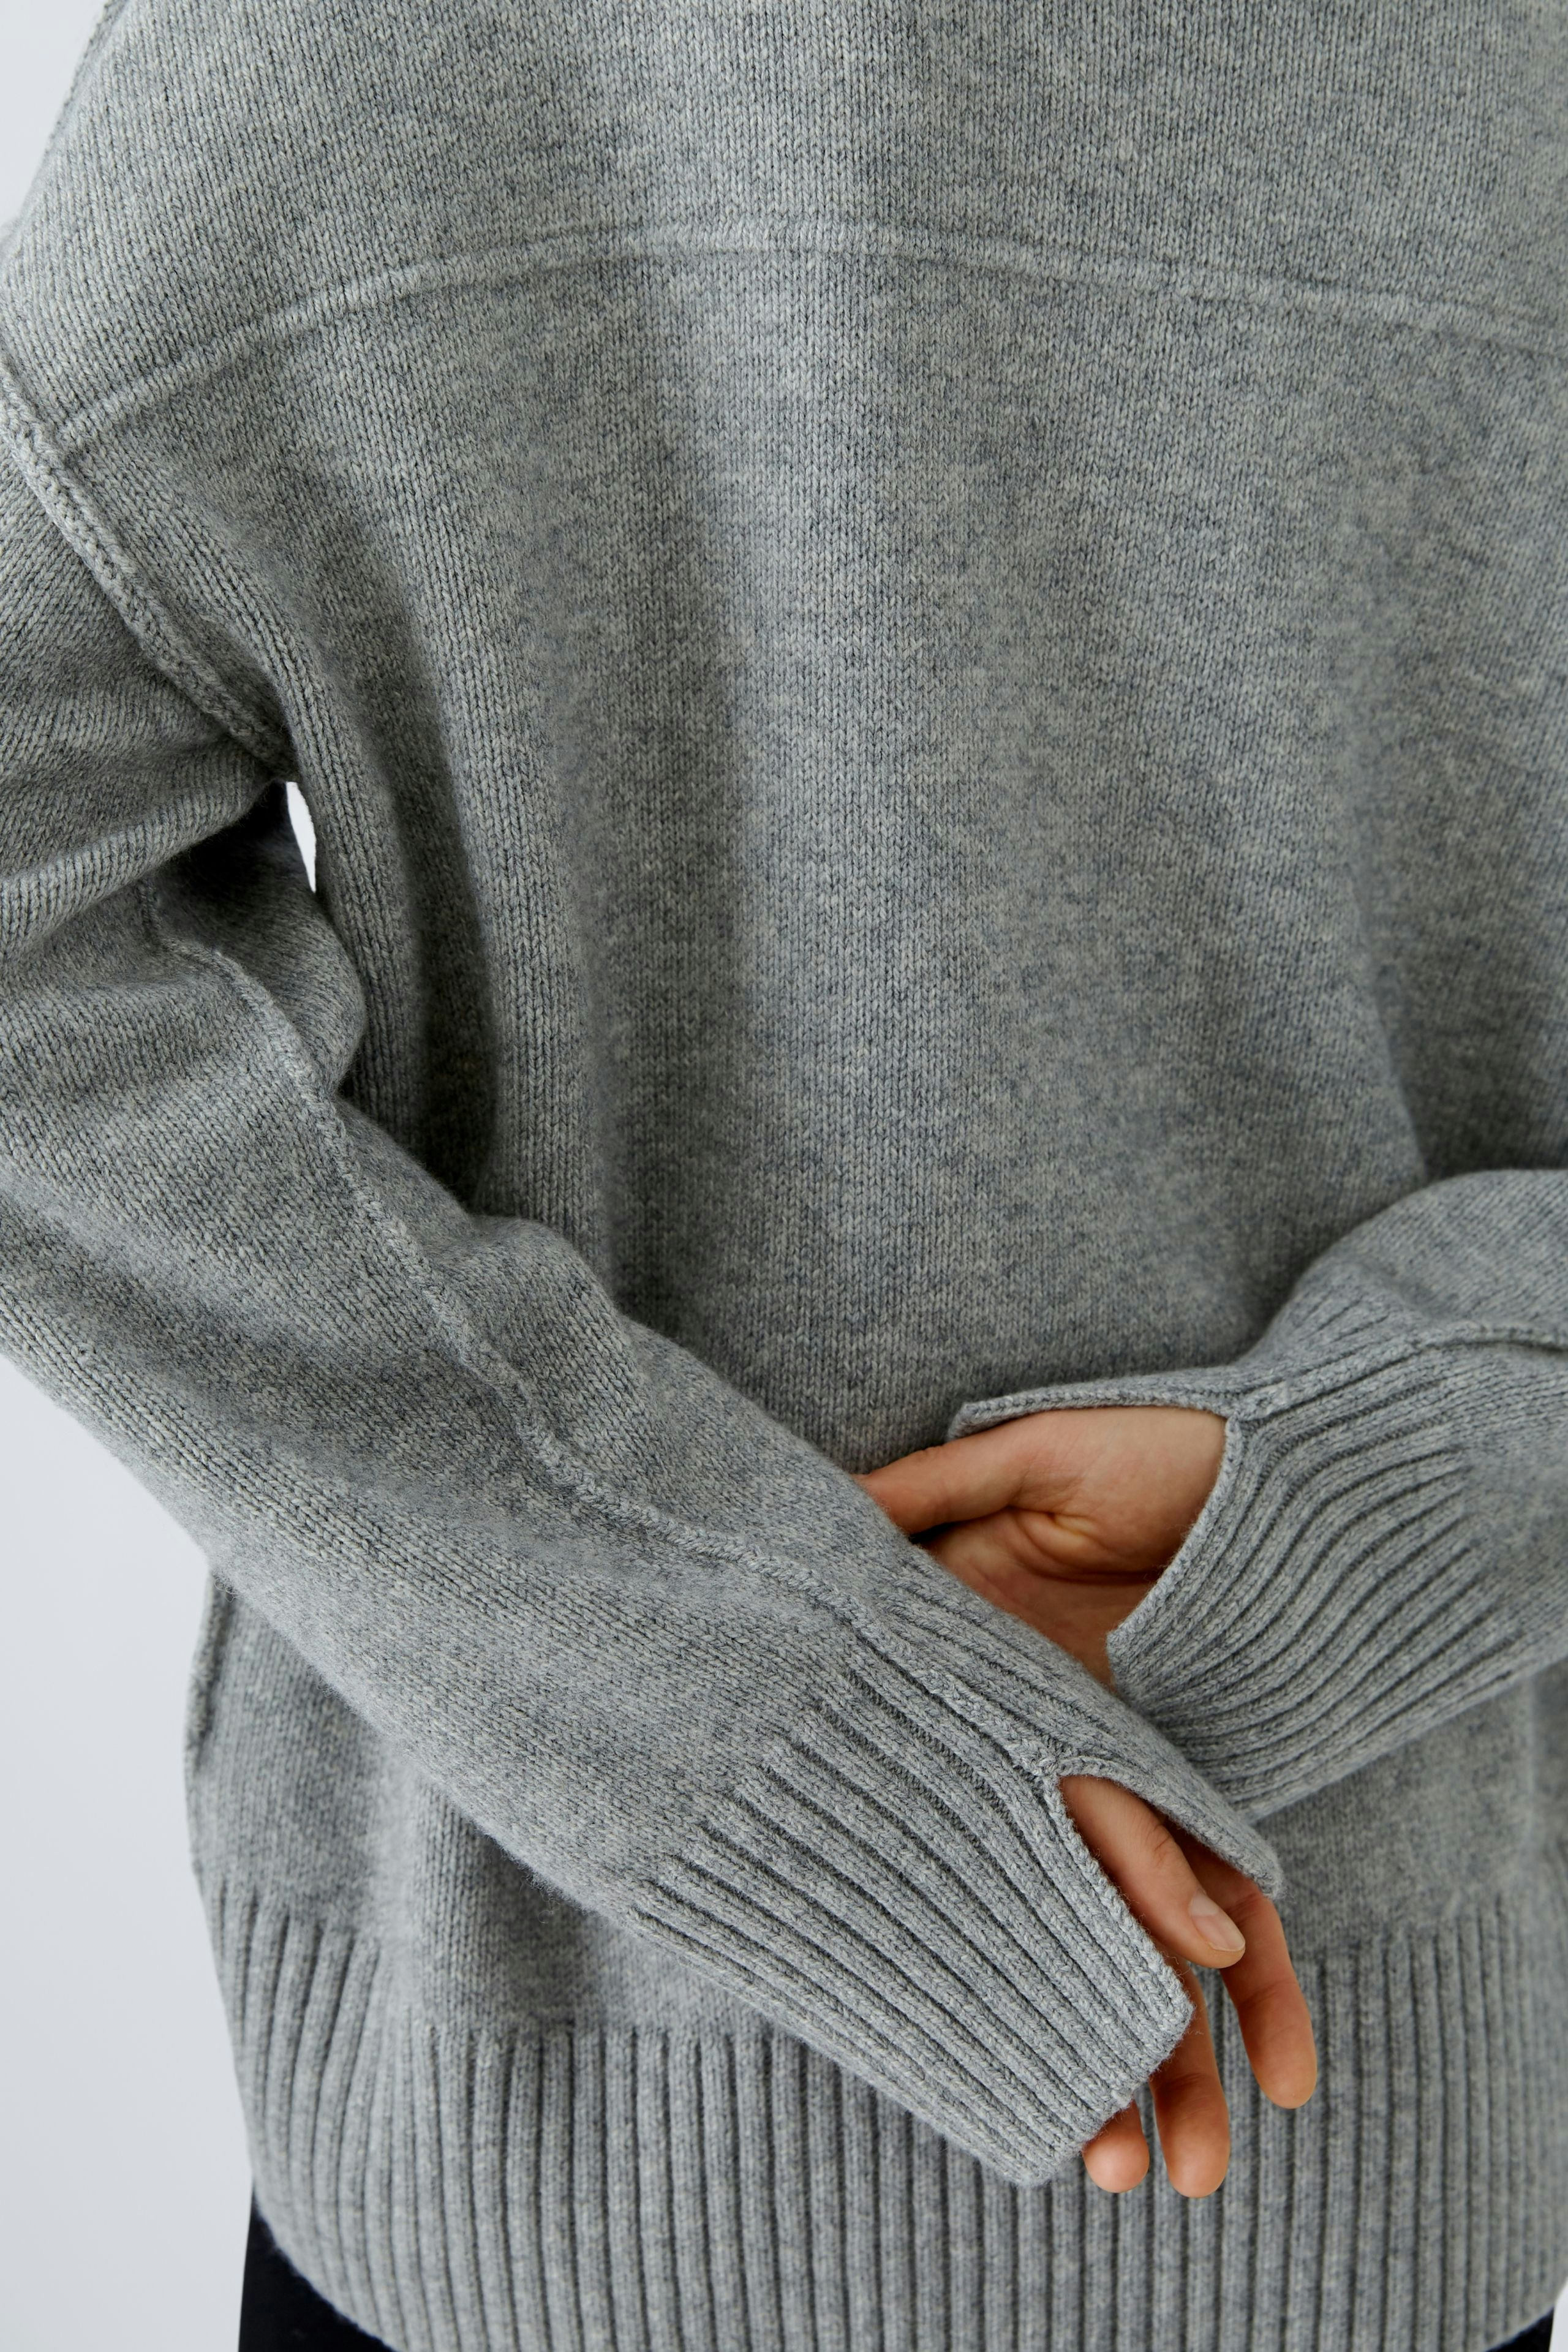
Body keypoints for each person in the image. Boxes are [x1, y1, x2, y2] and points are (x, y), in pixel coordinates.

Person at [1, 2, 1564, 2347]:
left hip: (538, 2116)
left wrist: (712, 1694)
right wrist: (1437, 1465)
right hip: (1323, 2082)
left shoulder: (317, 55)